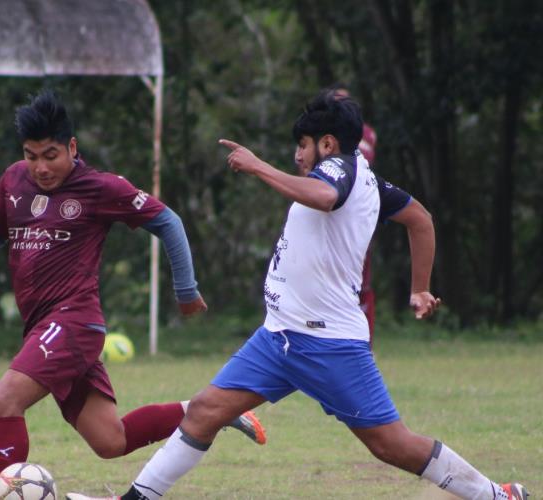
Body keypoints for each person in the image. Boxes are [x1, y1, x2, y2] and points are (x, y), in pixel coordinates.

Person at [66, 90, 528, 499]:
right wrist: (420, 288)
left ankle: (497, 495)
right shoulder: (366, 180)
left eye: (302, 145)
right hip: (279, 337)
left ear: (327, 143)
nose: (297, 155)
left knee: (392, 444)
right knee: (205, 411)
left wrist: (256, 165)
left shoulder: (340, 169)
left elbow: (328, 197)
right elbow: (421, 219)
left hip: (328, 345)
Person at [0, 90, 266, 491]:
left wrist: (186, 289)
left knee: (5, 400)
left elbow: (168, 221)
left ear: (72, 147)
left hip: (73, 323)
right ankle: (211, 412)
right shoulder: (13, 180)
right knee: (112, 441)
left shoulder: (100, 188)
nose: (40, 167)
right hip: (43, 327)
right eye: (31, 154)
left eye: (51, 155)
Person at [331, 83, 378, 343]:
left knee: (360, 279)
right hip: (326, 214)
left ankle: (362, 342)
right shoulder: (319, 135)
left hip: (355, 215)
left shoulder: (364, 134)